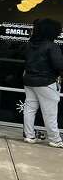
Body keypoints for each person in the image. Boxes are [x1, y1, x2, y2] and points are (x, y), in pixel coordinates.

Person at [22, 18, 63, 147]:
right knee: (50, 112)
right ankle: (55, 139)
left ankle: (29, 136)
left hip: (29, 80)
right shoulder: (52, 46)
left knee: (29, 108)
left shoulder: (30, 44)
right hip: (46, 82)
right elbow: (59, 65)